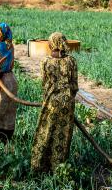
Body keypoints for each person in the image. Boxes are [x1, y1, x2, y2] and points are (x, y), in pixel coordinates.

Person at [31, 32, 78, 173]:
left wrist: (48, 97)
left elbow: (44, 84)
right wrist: (67, 98)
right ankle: (58, 168)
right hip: (67, 102)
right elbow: (74, 86)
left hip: (51, 101)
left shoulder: (45, 61)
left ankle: (39, 166)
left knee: (45, 132)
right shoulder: (71, 61)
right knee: (62, 134)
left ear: (51, 44)